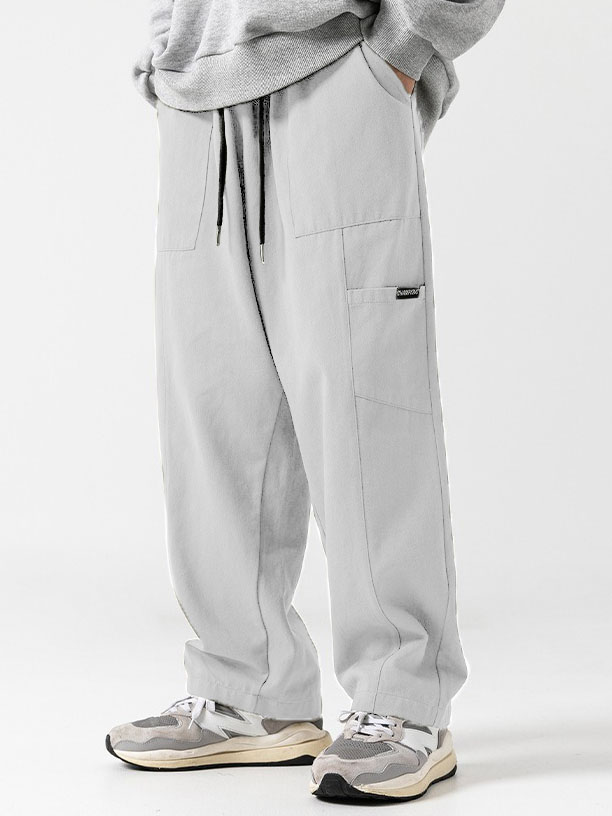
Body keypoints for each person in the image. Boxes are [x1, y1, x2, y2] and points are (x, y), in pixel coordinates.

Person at [107, 0, 504, 802]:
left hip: (335, 76)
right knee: (214, 413)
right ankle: (248, 691)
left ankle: (404, 702)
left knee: (364, 406)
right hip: (197, 102)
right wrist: (170, 44)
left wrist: (405, 48)